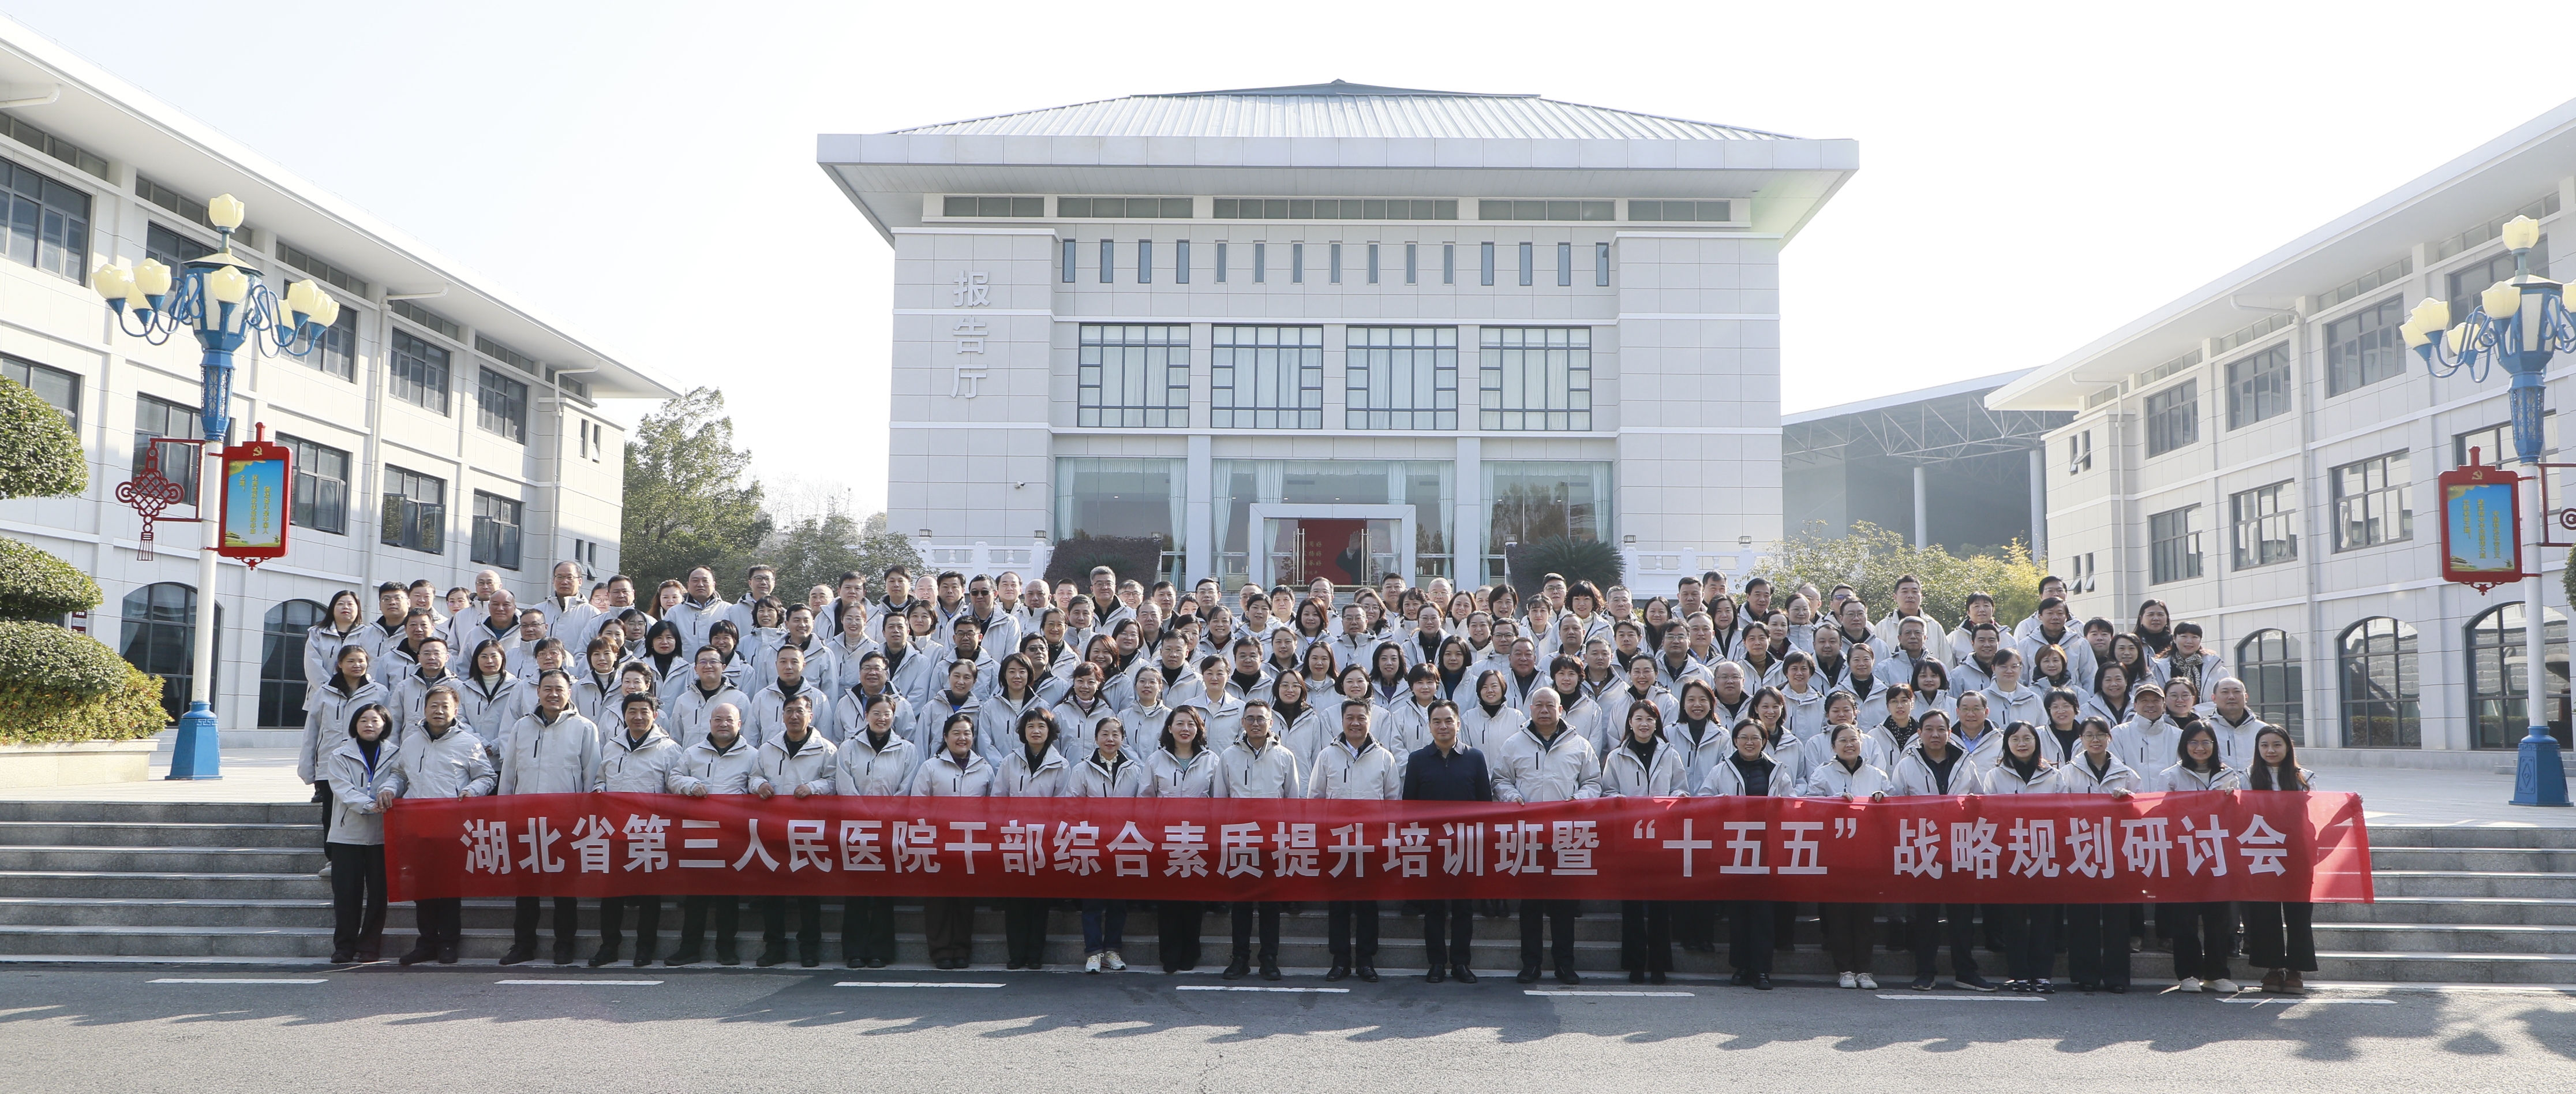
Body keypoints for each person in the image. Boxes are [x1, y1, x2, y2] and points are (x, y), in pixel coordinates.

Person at [1493, 686, 1600, 984]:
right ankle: (1531, 964)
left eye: (1550, 705)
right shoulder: (1514, 743)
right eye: (1538, 705)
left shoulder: (1579, 745)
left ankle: (1564, 964)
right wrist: (1512, 796)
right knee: (1530, 905)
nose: (1544, 710)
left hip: (1566, 836)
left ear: (1560, 710)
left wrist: (1578, 800)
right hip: (1528, 836)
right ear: (1530, 710)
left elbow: (1593, 783)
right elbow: (1500, 779)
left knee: (1564, 905)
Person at [499, 671, 600, 966]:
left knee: (564, 888)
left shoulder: (584, 728)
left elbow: (591, 774)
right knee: (526, 888)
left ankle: (564, 945)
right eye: (547, 689)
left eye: (559, 689)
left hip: (565, 822)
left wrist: (584, 819)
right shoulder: (522, 726)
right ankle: (523, 945)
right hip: (526, 820)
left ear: (570, 693)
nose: (553, 694)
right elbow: (509, 772)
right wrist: (504, 813)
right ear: (538, 692)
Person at [589, 693, 683, 966]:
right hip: (615, 831)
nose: (638, 717)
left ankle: (645, 948)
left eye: (644, 711)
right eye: (632, 711)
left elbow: (674, 789)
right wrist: (600, 791)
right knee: (611, 893)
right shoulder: (613, 746)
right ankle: (609, 946)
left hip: (650, 832)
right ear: (624, 715)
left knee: (649, 894)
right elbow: (601, 779)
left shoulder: (669, 749)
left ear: (655, 715)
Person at [1310, 699, 1399, 982]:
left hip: (1371, 842)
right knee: (1338, 903)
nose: (1356, 723)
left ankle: (1365, 961)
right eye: (1350, 717)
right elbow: (1316, 798)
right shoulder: (1327, 755)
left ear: (1370, 721)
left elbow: (1393, 802)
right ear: (1342, 720)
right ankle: (1340, 961)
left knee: (1367, 904)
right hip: (1336, 841)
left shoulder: (1384, 757)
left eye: (1361, 717)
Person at [1601, 702, 1688, 984]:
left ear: (1656, 723)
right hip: (1630, 839)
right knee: (1633, 906)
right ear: (1629, 723)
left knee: (1660, 905)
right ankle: (1636, 964)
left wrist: (1675, 799)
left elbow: (1681, 788)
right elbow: (1608, 791)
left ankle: (1659, 965)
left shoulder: (1669, 753)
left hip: (1662, 838)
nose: (1644, 724)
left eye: (1650, 719)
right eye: (1638, 719)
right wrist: (1620, 801)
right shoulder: (1617, 756)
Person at [665, 702, 758, 966]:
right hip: (698, 832)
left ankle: (726, 948)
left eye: (729, 720)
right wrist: (691, 784)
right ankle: (689, 948)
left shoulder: (753, 755)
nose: (723, 724)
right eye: (718, 719)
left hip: (732, 834)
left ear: (739, 724)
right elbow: (674, 778)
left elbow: (757, 780)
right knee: (696, 895)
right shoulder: (693, 752)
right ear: (710, 723)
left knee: (728, 895)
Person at [833, 695, 921, 969]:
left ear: (894, 717)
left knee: (884, 891)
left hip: (889, 828)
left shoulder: (907, 750)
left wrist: (884, 815)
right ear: (866, 716)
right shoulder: (849, 747)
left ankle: (881, 951)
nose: (882, 718)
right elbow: (844, 784)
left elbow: (906, 788)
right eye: (876, 713)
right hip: (856, 827)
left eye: (887, 714)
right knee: (856, 891)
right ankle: (855, 951)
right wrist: (864, 813)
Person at [2156, 722, 2243, 993]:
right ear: (2185, 746)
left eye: (2206, 742)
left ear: (2214, 745)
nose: (2200, 748)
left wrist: (2233, 799)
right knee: (2184, 918)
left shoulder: (2229, 775)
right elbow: (2163, 813)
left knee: (2219, 918)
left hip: (2218, 854)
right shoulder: (2171, 776)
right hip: (2184, 854)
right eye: (2193, 742)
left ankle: (2217, 974)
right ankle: (2188, 974)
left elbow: (2239, 815)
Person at [1219, 701, 1302, 981]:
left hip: (1272, 840)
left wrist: (1289, 838)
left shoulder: (1285, 756)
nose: (1256, 724)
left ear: (1271, 723)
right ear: (1243, 722)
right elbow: (1220, 800)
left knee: (1270, 904)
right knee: (1241, 903)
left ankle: (1269, 959)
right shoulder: (1228, 756)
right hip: (1239, 838)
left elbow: (1292, 801)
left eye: (1261, 719)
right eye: (1251, 719)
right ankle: (1240, 958)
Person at [751, 695, 837, 968]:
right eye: (789, 711)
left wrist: (813, 788)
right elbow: (754, 776)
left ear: (811, 716)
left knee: (807, 893)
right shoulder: (768, 748)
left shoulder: (826, 749)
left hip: (808, 830)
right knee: (772, 893)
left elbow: (833, 782)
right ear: (782, 716)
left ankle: (809, 948)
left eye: (800, 711)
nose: (794, 716)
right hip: (774, 828)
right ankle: (774, 947)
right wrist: (759, 785)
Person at [1701, 719, 1787, 989]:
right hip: (1734, 845)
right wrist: (1722, 805)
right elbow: (1704, 799)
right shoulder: (1721, 770)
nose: (1749, 743)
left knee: (1763, 911)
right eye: (1744, 738)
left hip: (1767, 846)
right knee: (1738, 910)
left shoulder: (1777, 770)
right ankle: (1740, 967)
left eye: (1755, 738)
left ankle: (1761, 970)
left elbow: (1792, 802)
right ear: (1735, 741)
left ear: (1764, 741)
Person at [1802, 723, 1888, 989]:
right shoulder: (1823, 774)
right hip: (1835, 855)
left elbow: (1894, 806)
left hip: (1868, 855)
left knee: (1865, 915)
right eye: (1843, 741)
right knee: (1838, 915)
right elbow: (1810, 807)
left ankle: (1864, 970)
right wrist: (1834, 802)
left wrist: (1883, 799)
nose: (1849, 745)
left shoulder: (1877, 774)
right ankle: (1845, 970)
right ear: (1833, 746)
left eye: (1854, 739)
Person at [2056, 715, 2139, 993]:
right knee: (2083, 915)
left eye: (2101, 735)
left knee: (2117, 917)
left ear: (2109, 738)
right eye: (2089, 735)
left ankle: (2117, 977)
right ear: (2081, 740)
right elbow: (2059, 809)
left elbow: (2142, 810)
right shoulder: (2067, 773)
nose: (2095, 740)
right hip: (2080, 849)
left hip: (2117, 852)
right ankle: (2086, 975)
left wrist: (2128, 801)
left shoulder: (2126, 773)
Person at [908, 712, 994, 969]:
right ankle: (941, 951)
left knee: (965, 900)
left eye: (967, 733)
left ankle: (961, 950)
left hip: (970, 845)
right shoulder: (931, 767)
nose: (962, 738)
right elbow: (918, 806)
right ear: (945, 737)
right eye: (956, 733)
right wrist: (926, 838)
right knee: (939, 900)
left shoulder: (985, 768)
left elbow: (992, 809)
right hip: (939, 843)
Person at [1980, 722, 2058, 992]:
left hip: (2044, 852)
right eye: (2015, 739)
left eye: (2027, 738)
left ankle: (2043, 973)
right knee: (2013, 917)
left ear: (2037, 742)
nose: (2022, 744)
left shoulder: (2053, 775)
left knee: (2044, 917)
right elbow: (1989, 813)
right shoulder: (1995, 775)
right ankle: (2019, 974)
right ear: (2007, 744)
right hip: (2010, 853)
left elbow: (2064, 812)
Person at [1067, 717, 1150, 973]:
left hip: (1123, 843)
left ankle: (1113, 950)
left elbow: (1141, 806)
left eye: (1115, 734)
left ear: (1123, 739)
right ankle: (1093, 952)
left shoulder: (1135, 769)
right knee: (1092, 902)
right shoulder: (1082, 769)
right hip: (1092, 842)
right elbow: (1072, 807)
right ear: (1096, 738)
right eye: (1104, 734)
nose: (1110, 739)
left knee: (1118, 902)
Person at [323, 703, 402, 963]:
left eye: (376, 720)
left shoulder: (395, 754)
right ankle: (344, 947)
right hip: (347, 834)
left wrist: (389, 791)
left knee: (379, 894)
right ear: (355, 724)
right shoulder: (340, 755)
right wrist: (369, 804)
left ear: (385, 725)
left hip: (382, 834)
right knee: (346, 894)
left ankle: (370, 945)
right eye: (364, 720)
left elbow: (400, 778)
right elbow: (342, 789)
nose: (370, 725)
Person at [2243, 726, 2319, 995]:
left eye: (2277, 745)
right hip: (2261, 850)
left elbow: (2316, 813)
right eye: (2264, 745)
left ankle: (2296, 969)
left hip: (2297, 852)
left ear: (2288, 747)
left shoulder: (2304, 777)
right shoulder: (2246, 777)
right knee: (2264, 912)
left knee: (2299, 913)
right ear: (2257, 749)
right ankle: (2272, 968)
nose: (2271, 750)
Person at [1147, 705, 1220, 973]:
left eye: (1191, 724)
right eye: (1179, 723)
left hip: (1198, 838)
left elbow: (1218, 799)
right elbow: (1146, 798)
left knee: (1193, 898)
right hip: (1166, 838)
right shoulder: (1156, 760)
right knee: (1168, 899)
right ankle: (1170, 954)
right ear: (1170, 728)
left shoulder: (1211, 760)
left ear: (1199, 729)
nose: (1185, 729)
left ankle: (1190, 952)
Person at [993, 708, 1065, 970]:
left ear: (1050, 731)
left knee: (1039, 899)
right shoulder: (1010, 761)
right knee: (1015, 898)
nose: (1036, 731)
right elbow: (999, 798)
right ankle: (1017, 954)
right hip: (1014, 837)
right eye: (1031, 726)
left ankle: (1035, 954)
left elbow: (1063, 805)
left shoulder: (1060, 764)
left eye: (1042, 726)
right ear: (1023, 731)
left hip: (1044, 840)